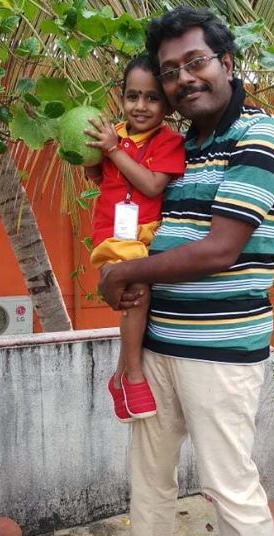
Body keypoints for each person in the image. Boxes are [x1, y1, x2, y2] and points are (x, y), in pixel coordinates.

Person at [93, 6, 274, 536]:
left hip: (221, 353)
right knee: (149, 477)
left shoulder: (261, 136)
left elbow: (220, 249)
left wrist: (124, 274)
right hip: (157, 345)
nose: (183, 79)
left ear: (227, 63)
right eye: (170, 70)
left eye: (196, 62)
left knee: (232, 493)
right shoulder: (183, 148)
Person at [82, 54, 186, 422]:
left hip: (149, 233)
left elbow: (152, 184)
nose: (140, 106)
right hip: (114, 232)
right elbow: (96, 176)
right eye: (132, 96)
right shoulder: (113, 133)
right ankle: (133, 374)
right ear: (121, 97)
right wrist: (92, 151)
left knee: (139, 299)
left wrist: (112, 149)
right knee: (136, 294)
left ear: (167, 103)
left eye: (152, 98)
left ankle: (118, 377)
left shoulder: (168, 142)